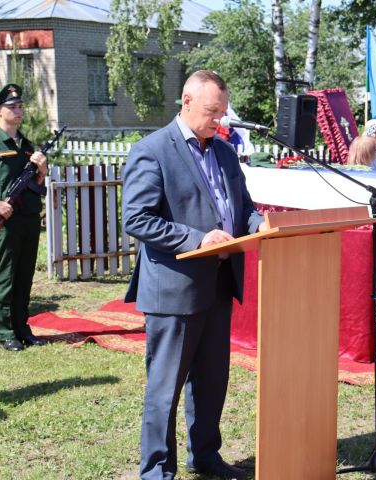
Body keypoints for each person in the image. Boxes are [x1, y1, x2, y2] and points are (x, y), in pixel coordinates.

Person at [122, 71, 265, 480]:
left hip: (218, 285)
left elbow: (244, 207)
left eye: (222, 112)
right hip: (174, 288)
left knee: (212, 380)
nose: (218, 121)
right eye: (211, 112)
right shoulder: (152, 151)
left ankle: (205, 455)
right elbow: (137, 218)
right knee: (164, 389)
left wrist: (258, 225)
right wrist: (196, 239)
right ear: (186, 101)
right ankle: (156, 470)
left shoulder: (222, 151)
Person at [0, 84, 48, 352]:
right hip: (5, 222)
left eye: (20, 107)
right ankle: (5, 330)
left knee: (25, 276)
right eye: (12, 107)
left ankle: (22, 328)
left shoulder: (27, 146)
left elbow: (39, 187)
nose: (18, 111)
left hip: (29, 219)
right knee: (5, 276)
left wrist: (41, 171)